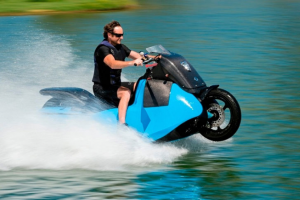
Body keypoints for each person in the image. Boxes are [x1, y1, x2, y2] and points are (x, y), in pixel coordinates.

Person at [92, 21, 143, 126]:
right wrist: (132, 63)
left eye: (122, 35)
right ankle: (122, 124)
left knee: (139, 84)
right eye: (118, 35)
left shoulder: (121, 47)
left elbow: (138, 56)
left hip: (115, 85)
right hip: (102, 88)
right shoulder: (102, 49)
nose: (122, 37)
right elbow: (112, 64)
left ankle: (138, 110)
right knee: (126, 92)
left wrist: (157, 58)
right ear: (109, 35)